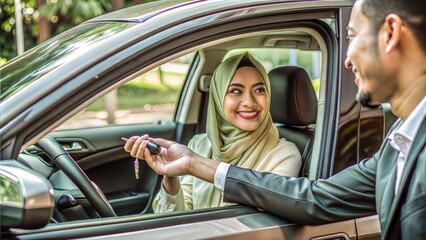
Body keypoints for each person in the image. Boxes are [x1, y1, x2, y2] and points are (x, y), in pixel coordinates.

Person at [124, 0, 426, 238]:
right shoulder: (400, 139)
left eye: (351, 37)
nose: (346, 59)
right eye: (235, 91)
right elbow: (315, 199)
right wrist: (191, 164)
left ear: (390, 33)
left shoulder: (286, 152)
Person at [124, 52, 301, 212]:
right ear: (217, 97)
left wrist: (194, 164)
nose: (249, 101)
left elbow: (260, 220)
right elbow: (174, 220)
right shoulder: (199, 145)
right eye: (236, 91)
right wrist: (170, 176)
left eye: (259, 90)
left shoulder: (284, 155)